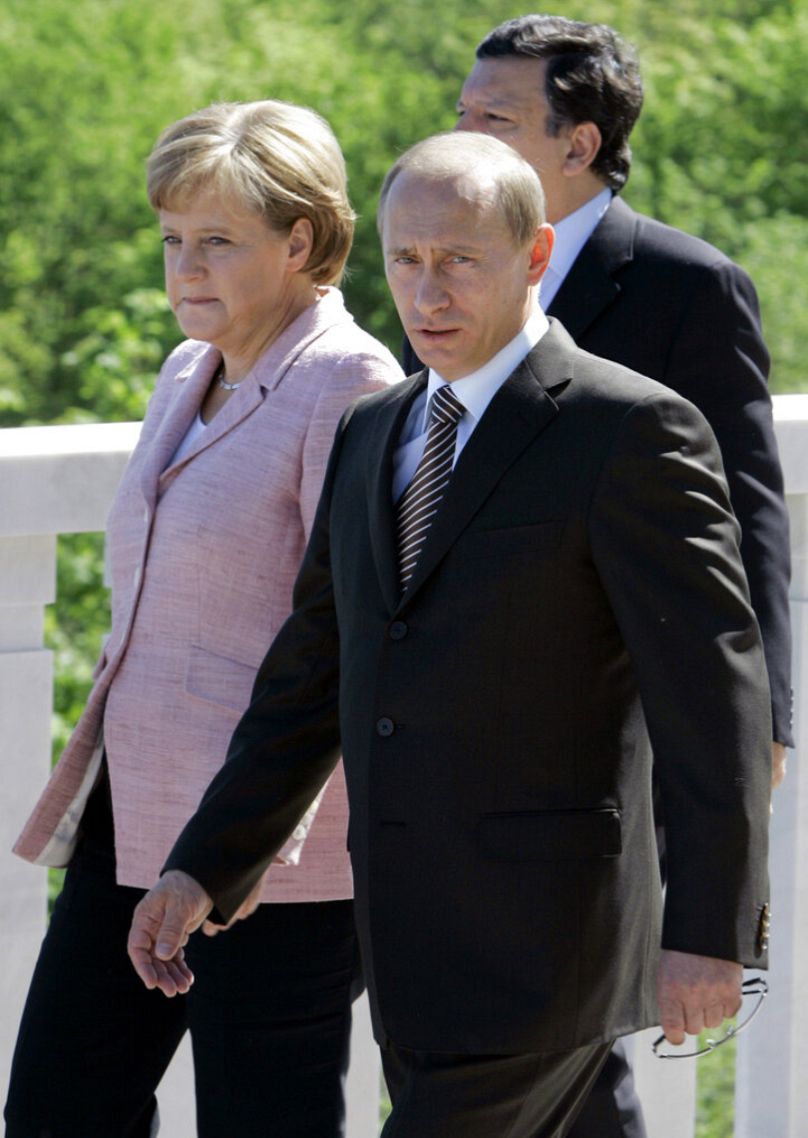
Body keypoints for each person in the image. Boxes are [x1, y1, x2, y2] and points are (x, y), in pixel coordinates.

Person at [127, 132, 771, 1138]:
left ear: (534, 253)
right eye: (406, 260)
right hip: (411, 943)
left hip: (545, 947)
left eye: (459, 261)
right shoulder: (371, 430)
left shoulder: (629, 428)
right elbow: (310, 676)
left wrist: (710, 932)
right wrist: (208, 861)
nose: (427, 293)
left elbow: (712, 698)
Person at [402, 21, 791, 1129]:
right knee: (566, 1074)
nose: (460, 131)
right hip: (447, 750)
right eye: (462, 108)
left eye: (493, 119)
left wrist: (761, 714)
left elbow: (743, 510)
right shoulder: (435, 265)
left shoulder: (684, 285)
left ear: (576, 143)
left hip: (597, 722)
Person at [5, 99, 402, 1138]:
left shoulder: (350, 382)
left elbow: (345, 636)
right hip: (129, 811)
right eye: (174, 238)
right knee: (57, 1107)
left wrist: (234, 845)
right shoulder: (189, 367)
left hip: (267, 847)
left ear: (301, 240)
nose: (184, 265)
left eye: (217, 241)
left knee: (261, 1122)